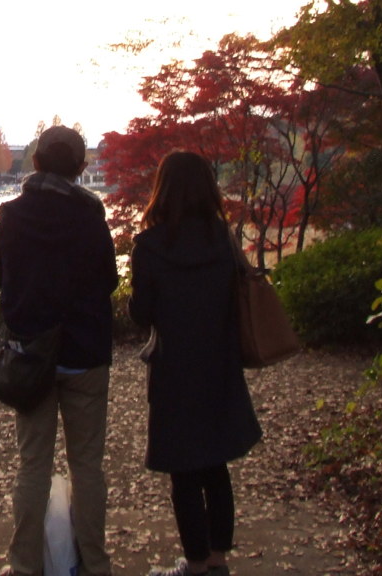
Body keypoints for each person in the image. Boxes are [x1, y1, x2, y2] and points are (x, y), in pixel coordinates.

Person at [0, 125, 119, 576]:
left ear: (36, 163)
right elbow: (110, 280)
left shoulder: (11, 215)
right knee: (87, 466)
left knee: (33, 466)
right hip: (85, 353)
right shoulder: (91, 217)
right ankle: (96, 564)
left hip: (31, 357)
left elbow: (2, 279)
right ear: (82, 168)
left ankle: (24, 565)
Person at [128, 151, 263, 576]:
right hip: (221, 364)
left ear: (162, 190)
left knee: (184, 470)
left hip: (174, 369)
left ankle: (195, 562)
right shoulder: (222, 239)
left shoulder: (149, 245)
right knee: (216, 464)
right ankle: (218, 559)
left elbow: (141, 314)